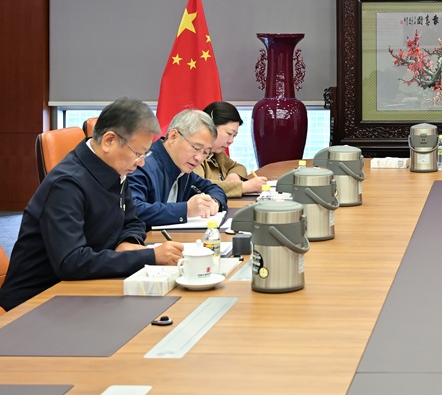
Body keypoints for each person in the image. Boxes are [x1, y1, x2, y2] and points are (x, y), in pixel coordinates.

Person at [0, 98, 184, 312]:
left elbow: (133, 220)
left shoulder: (115, 168)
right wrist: (149, 256)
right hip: (36, 301)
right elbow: (71, 262)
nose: (141, 162)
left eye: (145, 154)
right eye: (138, 154)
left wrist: (128, 242)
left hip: (82, 289)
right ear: (109, 141)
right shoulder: (66, 184)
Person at [130, 109, 228, 228]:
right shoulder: (142, 165)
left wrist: (213, 201)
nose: (199, 158)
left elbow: (213, 188)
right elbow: (132, 209)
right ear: (173, 137)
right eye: (196, 148)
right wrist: (185, 210)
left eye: (206, 153)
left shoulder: (182, 169)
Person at [195, 101, 268, 198]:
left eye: (234, 136)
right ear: (210, 127)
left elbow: (238, 167)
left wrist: (234, 175)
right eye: (229, 133)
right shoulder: (194, 154)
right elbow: (198, 186)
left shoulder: (216, 153)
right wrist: (243, 187)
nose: (231, 141)